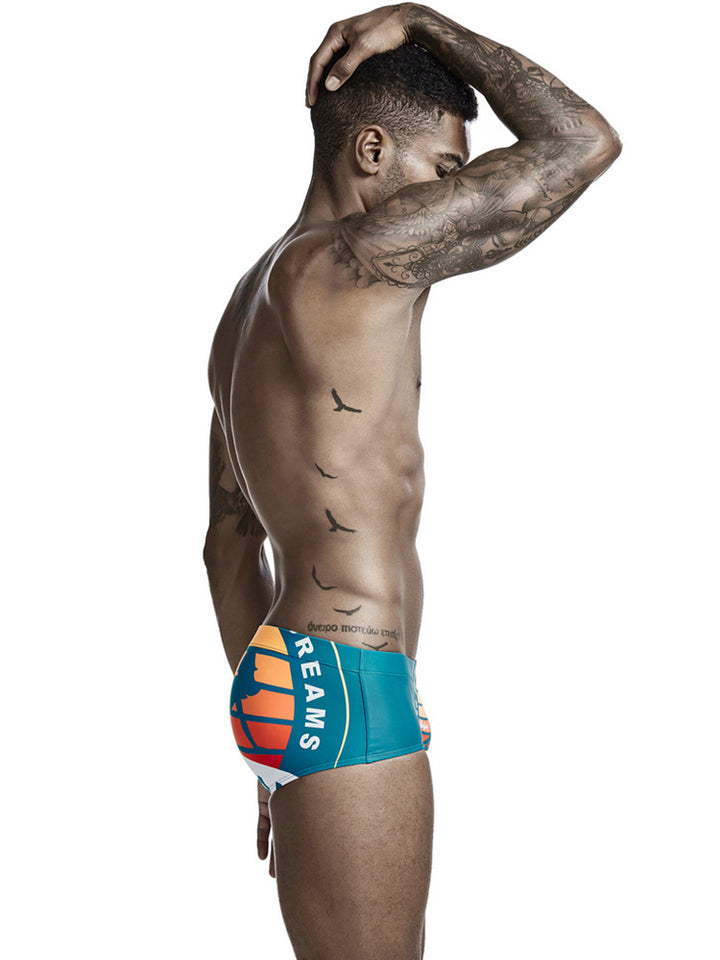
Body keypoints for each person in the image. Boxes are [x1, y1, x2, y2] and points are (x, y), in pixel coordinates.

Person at [203, 5, 621, 958]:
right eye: (444, 168)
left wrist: (276, 724)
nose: (456, 190)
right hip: (347, 675)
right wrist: (424, 23)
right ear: (371, 149)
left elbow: (227, 545)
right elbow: (582, 142)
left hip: (296, 673)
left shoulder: (242, 308)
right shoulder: (356, 260)